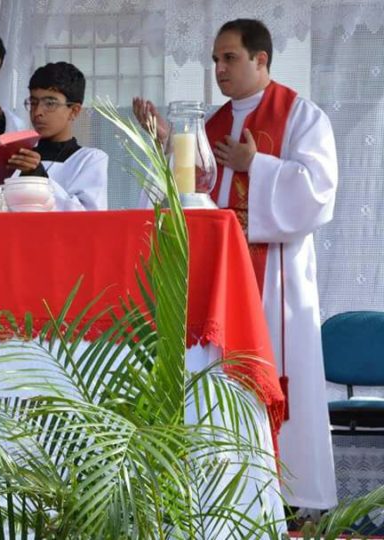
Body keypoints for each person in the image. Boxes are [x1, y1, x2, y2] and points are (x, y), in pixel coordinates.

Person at [133, 19, 338, 510]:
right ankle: (220, 493)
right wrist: (166, 141)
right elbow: (190, 191)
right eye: (215, 60)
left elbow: (319, 193)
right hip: (217, 279)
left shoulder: (301, 116)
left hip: (277, 281)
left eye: (229, 58)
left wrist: (256, 167)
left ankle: (287, 497)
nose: (219, 69)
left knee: (277, 373)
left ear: (260, 59)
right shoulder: (212, 124)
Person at [7, 62, 107, 211]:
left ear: (74, 111)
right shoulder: (19, 157)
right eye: (33, 103)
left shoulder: (89, 159)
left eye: (50, 103)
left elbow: (89, 218)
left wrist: (38, 176)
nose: (37, 112)